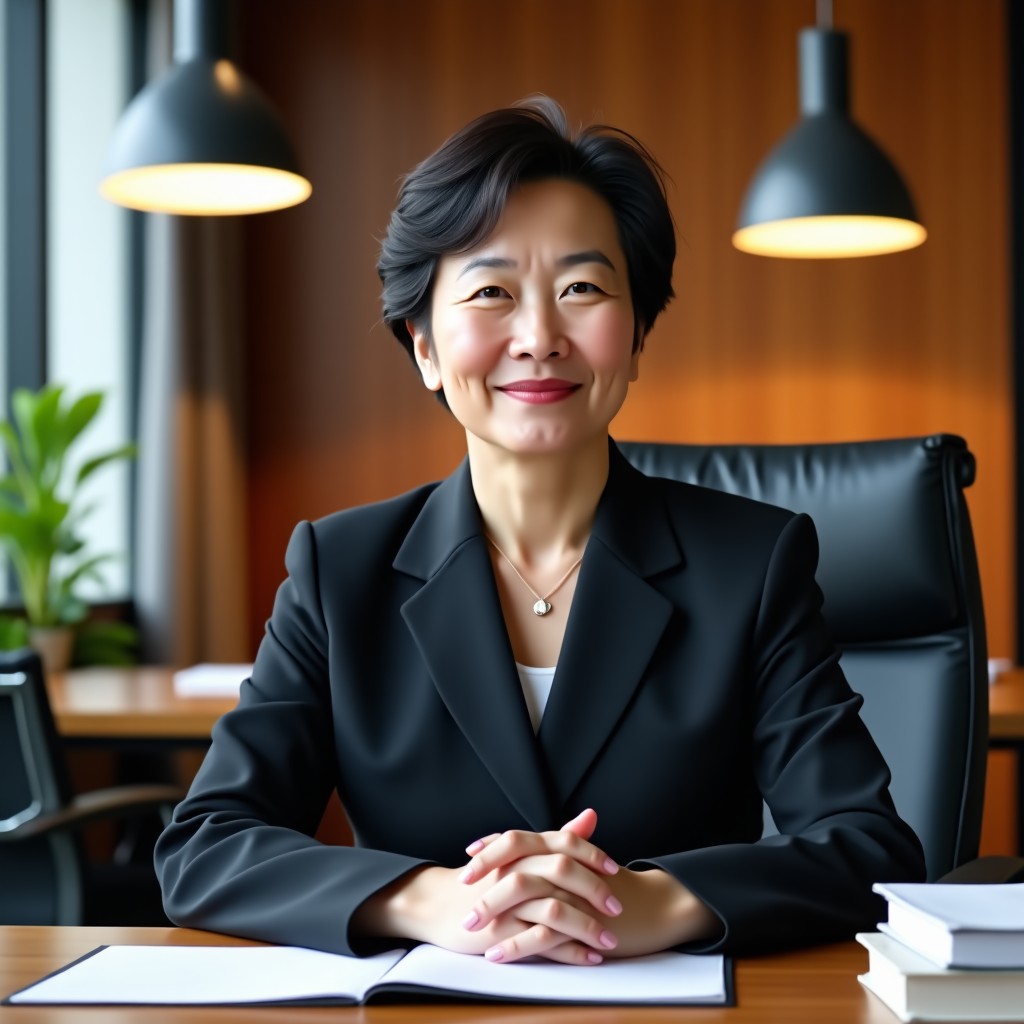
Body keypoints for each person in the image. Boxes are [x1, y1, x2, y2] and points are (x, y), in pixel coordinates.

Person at [155, 96, 925, 965]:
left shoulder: (750, 564)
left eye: (582, 290)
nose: (539, 336)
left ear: (635, 336)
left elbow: (870, 849)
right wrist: (429, 898)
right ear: (424, 348)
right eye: (491, 293)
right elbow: (206, 846)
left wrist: (654, 903)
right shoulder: (342, 570)